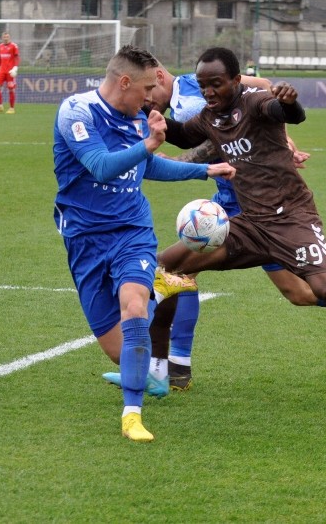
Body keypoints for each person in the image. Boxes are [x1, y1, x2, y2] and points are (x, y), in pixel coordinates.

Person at [123, 64, 326, 393]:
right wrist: (148, 112)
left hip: (292, 220)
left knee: (323, 290)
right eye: (204, 86)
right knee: (167, 267)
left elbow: (288, 113)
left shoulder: (255, 101)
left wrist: (287, 102)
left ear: (236, 81)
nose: (208, 93)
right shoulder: (208, 115)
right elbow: (185, 134)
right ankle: (160, 370)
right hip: (250, 222)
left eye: (215, 84)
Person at [53, 45, 236, 441]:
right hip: (84, 238)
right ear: (124, 82)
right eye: (147, 89)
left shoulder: (138, 118)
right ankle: (147, 379)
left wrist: (205, 170)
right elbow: (101, 164)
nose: (153, 97)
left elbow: (146, 165)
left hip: (133, 230)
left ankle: (132, 414)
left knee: (134, 304)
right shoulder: (76, 112)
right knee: (120, 352)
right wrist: (148, 145)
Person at [0, 31, 19, 114]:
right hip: (2, 71)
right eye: (4, 37)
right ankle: (0, 106)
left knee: (11, 89)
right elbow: (0, 58)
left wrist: (15, 68)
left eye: (7, 37)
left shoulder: (14, 46)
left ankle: (11, 108)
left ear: (9, 37)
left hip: (10, 71)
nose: (6, 38)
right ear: (2, 38)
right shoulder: (0, 46)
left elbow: (17, 58)